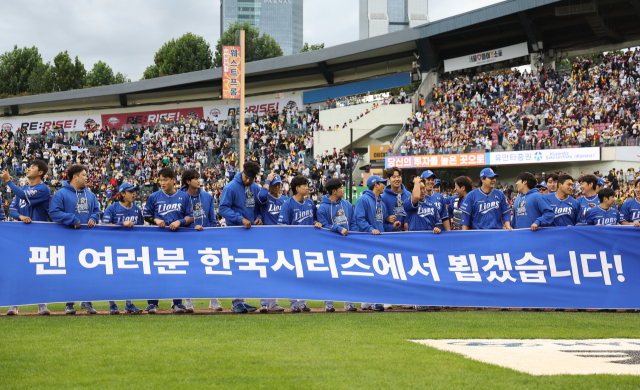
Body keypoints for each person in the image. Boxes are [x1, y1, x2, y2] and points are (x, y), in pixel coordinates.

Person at [49, 164, 102, 315]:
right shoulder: (61, 194)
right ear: (75, 177)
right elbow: (54, 213)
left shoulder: (90, 195)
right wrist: (71, 218)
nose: (87, 177)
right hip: (68, 239)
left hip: (88, 239)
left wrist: (93, 218)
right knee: (70, 270)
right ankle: (69, 302)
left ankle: (87, 301)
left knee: (89, 270)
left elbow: (97, 211)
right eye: (84, 175)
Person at [1, 160, 52, 316]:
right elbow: (13, 209)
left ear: (41, 172)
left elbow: (22, 195)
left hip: (39, 235)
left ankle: (42, 304)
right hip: (22, 235)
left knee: (39, 269)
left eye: (33, 167)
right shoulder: (22, 189)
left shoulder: (43, 189)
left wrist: (8, 181)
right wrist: (21, 216)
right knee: (18, 270)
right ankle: (14, 305)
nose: (29, 169)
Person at [143, 167, 194, 314]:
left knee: (176, 270)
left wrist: (180, 222)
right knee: (155, 270)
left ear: (173, 180)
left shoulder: (184, 197)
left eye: (165, 180)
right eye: (161, 180)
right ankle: (152, 303)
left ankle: (177, 303)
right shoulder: (154, 196)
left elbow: (191, 217)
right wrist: (156, 219)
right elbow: (146, 215)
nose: (162, 183)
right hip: (158, 239)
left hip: (178, 239)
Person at [218, 161, 263, 313]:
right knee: (237, 267)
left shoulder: (255, 187)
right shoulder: (230, 187)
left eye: (252, 179)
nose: (249, 181)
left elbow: (259, 207)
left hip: (251, 233)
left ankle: (242, 300)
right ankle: (236, 302)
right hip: (235, 232)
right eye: (247, 178)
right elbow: (223, 208)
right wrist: (240, 219)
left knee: (247, 267)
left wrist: (258, 217)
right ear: (242, 173)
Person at [355, 175, 401, 311]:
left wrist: (393, 227)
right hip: (367, 241)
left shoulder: (381, 202)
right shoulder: (363, 199)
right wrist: (371, 229)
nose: (384, 185)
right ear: (375, 185)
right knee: (370, 271)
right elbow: (360, 219)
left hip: (379, 241)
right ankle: (371, 300)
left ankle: (368, 301)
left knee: (376, 271)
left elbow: (381, 225)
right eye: (382, 183)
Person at [278, 175, 322, 312]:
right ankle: (293, 302)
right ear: (297, 188)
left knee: (304, 274)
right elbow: (282, 225)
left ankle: (302, 302)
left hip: (307, 245)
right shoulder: (288, 204)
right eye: (304, 186)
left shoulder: (310, 203)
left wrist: (316, 222)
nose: (307, 188)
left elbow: (315, 219)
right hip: (292, 245)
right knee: (292, 275)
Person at [180, 169, 219, 313]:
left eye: (199, 177)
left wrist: (212, 232)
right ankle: (188, 300)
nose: (199, 180)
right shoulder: (181, 197)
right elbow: (180, 218)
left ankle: (213, 299)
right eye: (195, 178)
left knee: (210, 269)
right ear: (188, 182)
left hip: (206, 239)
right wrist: (191, 227)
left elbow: (212, 218)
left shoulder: (207, 196)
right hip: (188, 239)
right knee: (189, 270)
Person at [102, 182, 145, 314]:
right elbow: (104, 225)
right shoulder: (112, 208)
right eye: (130, 191)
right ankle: (113, 304)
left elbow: (141, 228)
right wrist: (121, 223)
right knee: (112, 276)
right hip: (113, 246)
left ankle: (129, 304)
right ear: (122, 194)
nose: (134, 193)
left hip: (130, 247)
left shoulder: (137, 210)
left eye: (135, 191)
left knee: (129, 276)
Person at [316, 178, 358, 312]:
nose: (343, 189)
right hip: (330, 245)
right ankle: (329, 302)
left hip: (347, 244)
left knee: (348, 273)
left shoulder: (347, 204)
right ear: (334, 191)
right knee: (329, 273)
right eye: (341, 187)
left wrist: (354, 235)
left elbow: (353, 222)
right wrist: (339, 229)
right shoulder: (322, 207)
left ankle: (349, 302)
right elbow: (324, 226)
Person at [256, 172, 287, 313]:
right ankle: (263, 303)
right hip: (266, 237)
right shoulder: (265, 197)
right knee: (265, 270)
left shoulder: (285, 200)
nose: (277, 187)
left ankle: (273, 303)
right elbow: (261, 197)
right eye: (274, 185)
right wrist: (268, 181)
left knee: (276, 270)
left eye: (279, 184)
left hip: (281, 238)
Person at [380, 167, 410, 232]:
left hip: (407, 233)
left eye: (399, 176)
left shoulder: (409, 195)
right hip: (390, 234)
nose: (397, 179)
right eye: (394, 177)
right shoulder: (383, 197)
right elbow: (379, 218)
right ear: (388, 179)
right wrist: (387, 218)